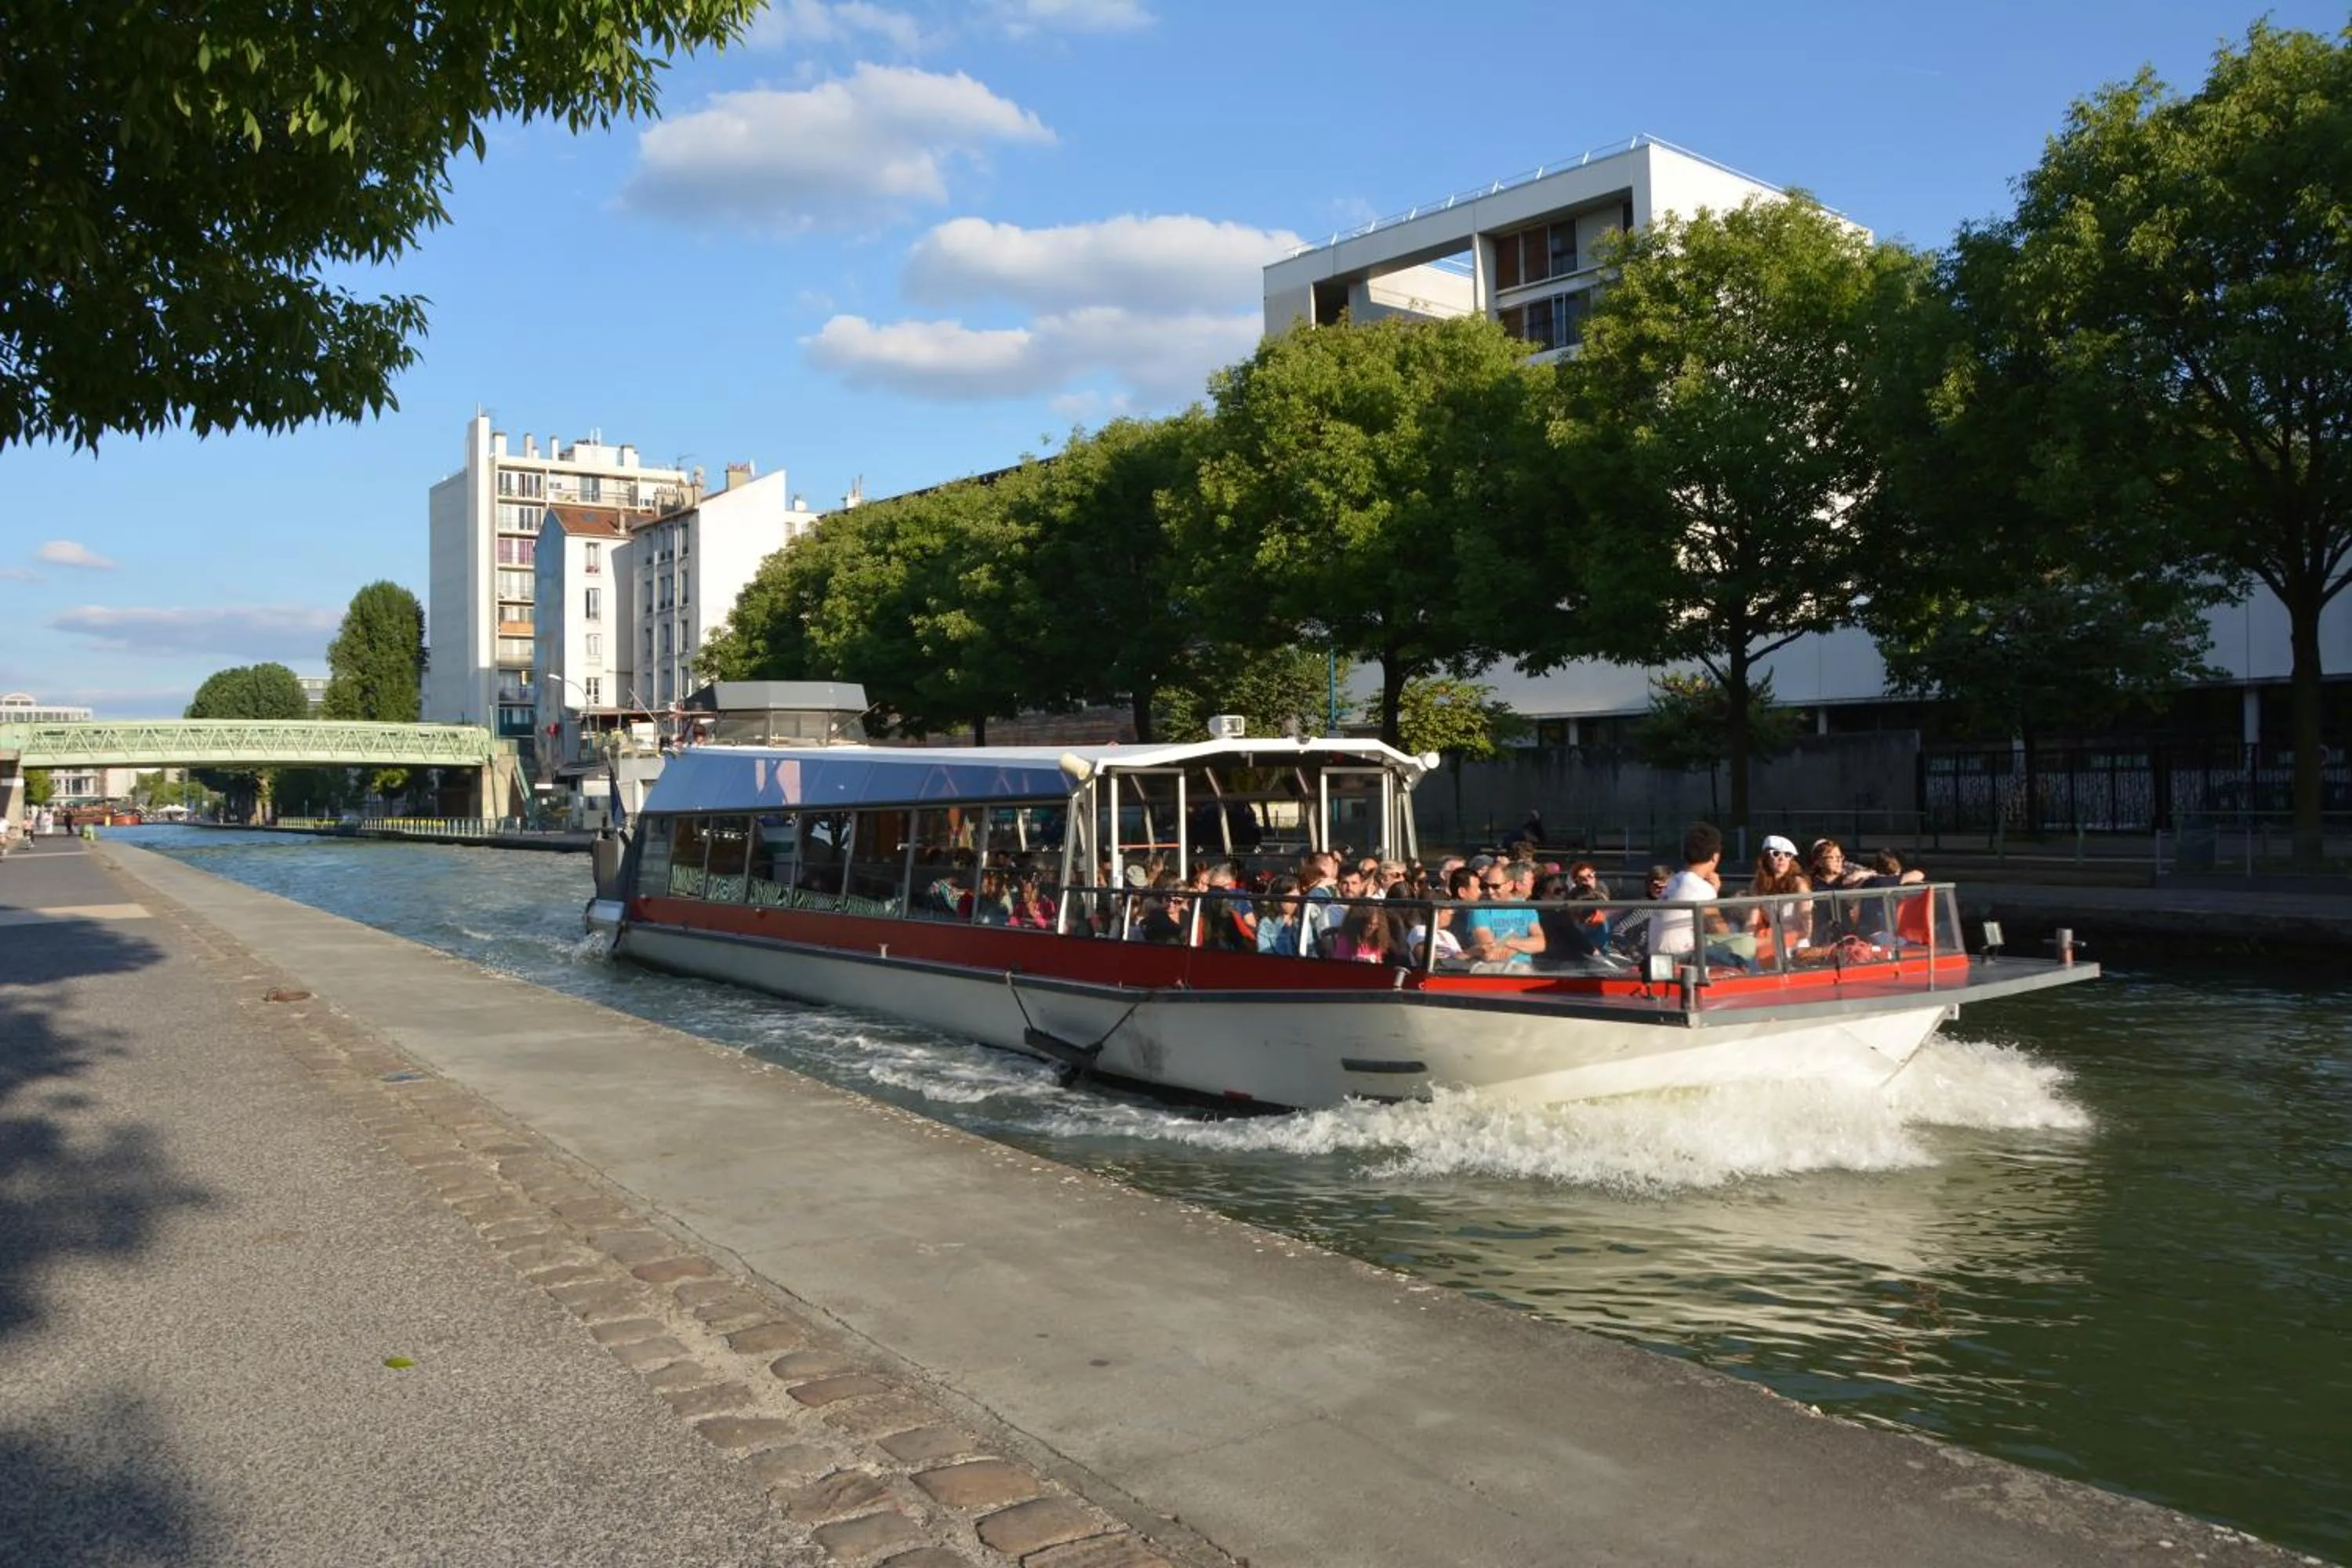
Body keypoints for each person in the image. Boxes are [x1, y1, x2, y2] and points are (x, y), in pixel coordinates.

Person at [1646, 822, 1736, 960]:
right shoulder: (1700, 888)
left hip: (1657, 958)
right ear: (1715, 857)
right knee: (1737, 958)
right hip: (1679, 958)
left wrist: (1713, 892)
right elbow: (1718, 929)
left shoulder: (1676, 881)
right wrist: (1739, 946)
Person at [1466, 859, 1545, 971]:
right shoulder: (1480, 910)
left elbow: (1540, 944)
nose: (1489, 891)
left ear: (1510, 885)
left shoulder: (1526, 908)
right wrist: (1523, 945)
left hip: (1524, 968)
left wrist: (1509, 942)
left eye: (1495, 886)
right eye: (1486, 886)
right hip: (1494, 970)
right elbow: (1490, 954)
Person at [1747, 834, 1813, 955]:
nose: (1782, 859)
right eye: (1776, 854)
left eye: (1788, 855)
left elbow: (1806, 927)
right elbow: (1752, 920)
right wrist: (1746, 941)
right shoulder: (1757, 885)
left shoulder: (1799, 884)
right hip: (1771, 940)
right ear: (1766, 857)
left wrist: (1788, 940)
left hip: (1797, 943)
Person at [1255, 876, 1303, 956]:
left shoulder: (1302, 921)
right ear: (1277, 899)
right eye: (1291, 899)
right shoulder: (1267, 924)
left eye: (1297, 899)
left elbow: (1312, 950)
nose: (1295, 903)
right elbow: (1266, 954)